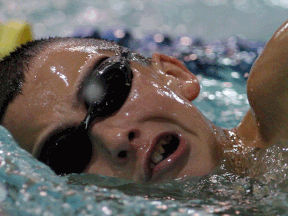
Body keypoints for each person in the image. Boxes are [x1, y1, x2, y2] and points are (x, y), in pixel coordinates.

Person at [0, 20, 287, 184]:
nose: (114, 140)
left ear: (174, 76)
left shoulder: (278, 92)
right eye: (66, 152)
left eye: (107, 89)